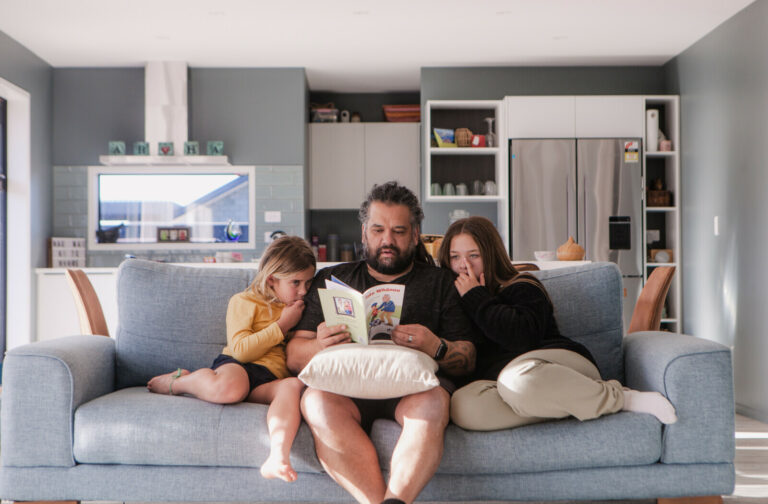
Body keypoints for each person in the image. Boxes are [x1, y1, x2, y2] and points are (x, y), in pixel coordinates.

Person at [287, 181, 477, 504]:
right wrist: (319, 344)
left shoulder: (441, 283)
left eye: (399, 231)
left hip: (413, 392)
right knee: (315, 402)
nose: (387, 240)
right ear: (364, 233)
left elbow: (470, 357)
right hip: (345, 390)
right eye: (378, 230)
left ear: (416, 235)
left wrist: (435, 346)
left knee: (434, 403)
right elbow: (293, 356)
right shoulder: (333, 279)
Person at [438, 216, 678, 431]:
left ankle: (620, 398)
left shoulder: (521, 285)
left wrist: (476, 297)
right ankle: (568, 405)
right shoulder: (454, 304)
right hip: (508, 389)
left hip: (552, 365)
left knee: (517, 381)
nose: (463, 265)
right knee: (463, 406)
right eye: (455, 257)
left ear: (490, 254)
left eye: (473, 255)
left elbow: (521, 338)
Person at [146, 236, 316, 483]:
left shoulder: (301, 308)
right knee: (231, 388)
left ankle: (278, 457)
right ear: (272, 280)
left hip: (269, 380)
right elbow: (241, 351)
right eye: (296, 283)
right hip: (238, 367)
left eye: (308, 283)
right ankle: (180, 382)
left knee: (293, 386)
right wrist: (282, 325)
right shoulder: (244, 301)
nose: (303, 291)